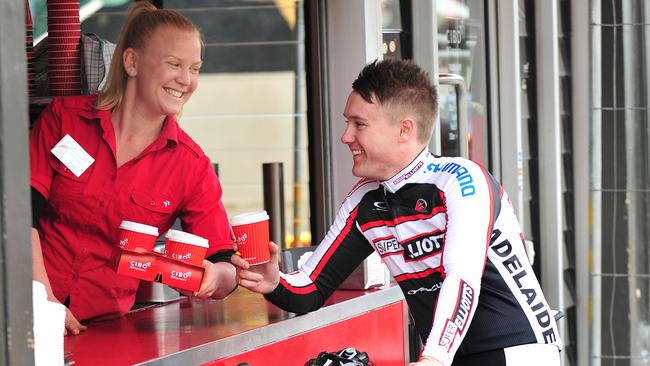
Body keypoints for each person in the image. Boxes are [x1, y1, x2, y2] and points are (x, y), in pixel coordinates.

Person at [233, 59, 563, 366]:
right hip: (447, 355)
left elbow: (462, 278)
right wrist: (274, 282)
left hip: (519, 348)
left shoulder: (460, 179)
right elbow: (311, 288)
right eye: (347, 123)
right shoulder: (364, 202)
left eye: (358, 124)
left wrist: (433, 358)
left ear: (404, 130)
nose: (345, 136)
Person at [30, 1, 237, 335]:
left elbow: (224, 260)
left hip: (101, 332)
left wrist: (215, 277)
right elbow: (20, 215)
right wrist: (43, 299)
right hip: (27, 315)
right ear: (132, 61)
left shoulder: (191, 165)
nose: (185, 80)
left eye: (195, 68)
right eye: (175, 64)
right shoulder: (64, 119)